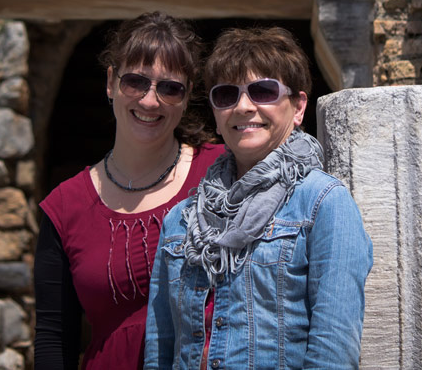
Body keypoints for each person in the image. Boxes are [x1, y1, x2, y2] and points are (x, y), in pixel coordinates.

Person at [144, 27, 373, 369]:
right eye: (226, 95)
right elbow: (160, 350)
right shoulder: (180, 220)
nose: (244, 106)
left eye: (263, 91)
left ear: (298, 107)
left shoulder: (324, 204)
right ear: (217, 117)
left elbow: (333, 350)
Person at [34, 12, 223, 369]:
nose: (150, 101)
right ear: (111, 82)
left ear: (187, 97)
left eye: (170, 88)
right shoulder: (64, 206)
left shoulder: (221, 173)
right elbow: (54, 338)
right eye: (135, 82)